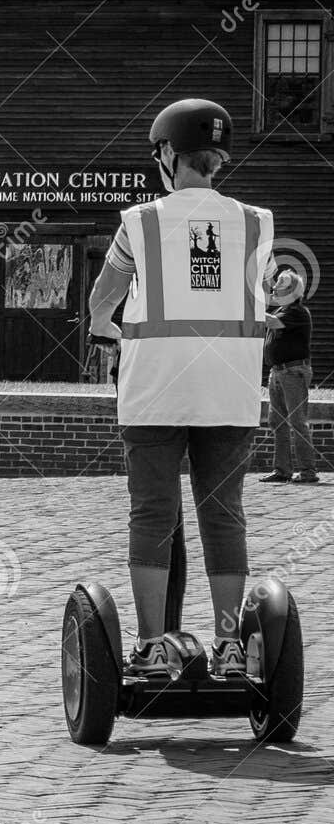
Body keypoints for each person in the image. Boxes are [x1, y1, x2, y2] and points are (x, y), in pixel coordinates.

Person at [86, 98, 271, 677]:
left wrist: (101, 329)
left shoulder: (138, 222)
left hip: (156, 390)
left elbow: (103, 298)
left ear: (167, 153)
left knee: (154, 512)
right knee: (224, 515)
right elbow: (266, 286)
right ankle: (231, 647)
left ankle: (153, 645)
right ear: (218, 159)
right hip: (232, 389)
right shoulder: (256, 222)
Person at [260, 268, 318, 484]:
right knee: (278, 422)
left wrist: (252, 307)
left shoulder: (297, 312)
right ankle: (282, 470)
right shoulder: (285, 310)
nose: (274, 289)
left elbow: (272, 323)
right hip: (279, 371)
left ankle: (308, 472)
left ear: (292, 291)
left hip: (293, 371)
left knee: (297, 421)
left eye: (280, 286)